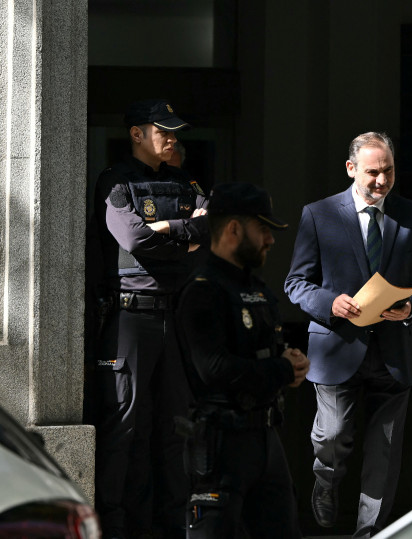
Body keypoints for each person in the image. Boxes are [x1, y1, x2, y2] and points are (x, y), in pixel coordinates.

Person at [284, 131, 412, 537]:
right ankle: (326, 479)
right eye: (373, 172)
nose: (381, 180)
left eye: (388, 171)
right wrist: (330, 303)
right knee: (333, 435)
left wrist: (411, 306)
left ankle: (369, 532)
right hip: (338, 346)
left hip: (395, 350)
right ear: (351, 169)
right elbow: (296, 283)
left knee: (384, 454)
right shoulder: (319, 214)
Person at [91, 99, 209, 539]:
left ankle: (171, 525)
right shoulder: (116, 181)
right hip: (130, 318)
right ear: (137, 134)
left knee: (175, 425)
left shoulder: (185, 182)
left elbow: (210, 227)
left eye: (175, 132)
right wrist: (183, 234)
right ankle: (117, 525)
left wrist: (166, 230)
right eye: (163, 131)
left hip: (174, 317)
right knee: (125, 426)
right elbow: (133, 238)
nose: (172, 139)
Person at [175, 182, 310, 538]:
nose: (271, 239)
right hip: (221, 443)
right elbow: (214, 369)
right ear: (234, 229)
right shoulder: (203, 289)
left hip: (266, 438)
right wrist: (281, 369)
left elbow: (265, 352)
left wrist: (290, 361)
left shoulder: (258, 289)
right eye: (263, 228)